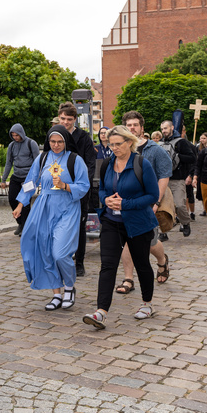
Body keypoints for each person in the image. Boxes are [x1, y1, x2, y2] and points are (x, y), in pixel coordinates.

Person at [84, 125, 160, 329]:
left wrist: (125, 204)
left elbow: (153, 196)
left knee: (142, 263)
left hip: (137, 223)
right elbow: (101, 189)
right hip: (111, 222)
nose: (114, 148)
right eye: (111, 144)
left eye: (118, 144)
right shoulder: (107, 163)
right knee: (107, 265)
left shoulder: (142, 164)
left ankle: (147, 304)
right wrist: (106, 199)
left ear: (129, 143)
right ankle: (101, 312)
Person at [12, 126, 89, 311]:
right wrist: (21, 204)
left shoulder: (75, 160)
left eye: (60, 142)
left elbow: (84, 185)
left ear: (66, 142)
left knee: (60, 253)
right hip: (44, 207)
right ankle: (56, 293)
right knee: (45, 250)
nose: (56, 145)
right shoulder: (43, 158)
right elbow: (31, 181)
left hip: (67, 208)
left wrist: (64, 186)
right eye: (53, 141)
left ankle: (69, 287)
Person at [117, 111, 172, 288]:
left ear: (142, 127)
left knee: (149, 242)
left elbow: (163, 176)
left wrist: (156, 201)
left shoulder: (154, 150)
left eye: (135, 125)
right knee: (127, 239)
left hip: (147, 202)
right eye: (128, 125)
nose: (132, 128)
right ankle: (128, 279)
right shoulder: (119, 148)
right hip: (126, 203)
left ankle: (162, 260)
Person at [57, 103, 96, 277]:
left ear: (75, 120)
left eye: (69, 119)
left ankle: (79, 262)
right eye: (63, 118)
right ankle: (61, 257)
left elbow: (90, 164)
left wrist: (81, 186)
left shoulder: (84, 137)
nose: (65, 122)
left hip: (79, 190)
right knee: (59, 224)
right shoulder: (55, 136)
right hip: (58, 189)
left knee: (80, 226)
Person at [159, 120, 197, 237]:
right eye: (162, 129)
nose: (164, 131)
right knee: (162, 208)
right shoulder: (160, 143)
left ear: (172, 127)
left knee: (179, 205)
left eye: (166, 128)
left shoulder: (181, 142)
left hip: (178, 179)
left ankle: (185, 223)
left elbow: (192, 158)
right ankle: (163, 232)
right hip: (163, 179)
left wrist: (177, 156)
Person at [3, 123, 40, 237]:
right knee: (12, 199)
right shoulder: (11, 146)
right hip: (16, 175)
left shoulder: (31, 143)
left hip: (28, 177)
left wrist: (36, 178)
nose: (15, 137)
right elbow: (8, 163)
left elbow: (37, 161)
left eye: (17, 135)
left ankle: (26, 226)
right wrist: (4, 179)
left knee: (25, 203)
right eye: (13, 135)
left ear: (21, 134)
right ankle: (20, 223)